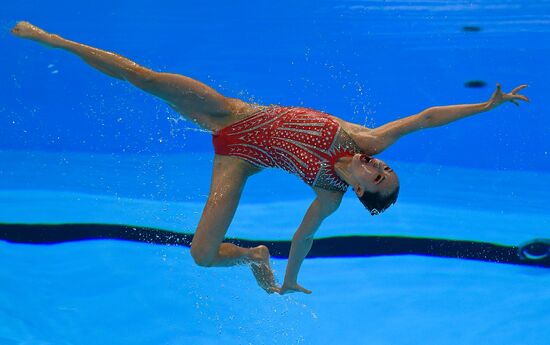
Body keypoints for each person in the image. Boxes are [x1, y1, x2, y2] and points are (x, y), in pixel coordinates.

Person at [11, 21, 530, 295]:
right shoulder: (366, 140)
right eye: (387, 170)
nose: (379, 168)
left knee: (203, 253)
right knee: (145, 78)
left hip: (236, 159)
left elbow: (304, 237)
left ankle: (252, 254)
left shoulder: (329, 193)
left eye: (378, 181)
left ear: (362, 192)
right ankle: (50, 39)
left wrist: (283, 276)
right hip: (231, 114)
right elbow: (425, 118)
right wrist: (485, 106)